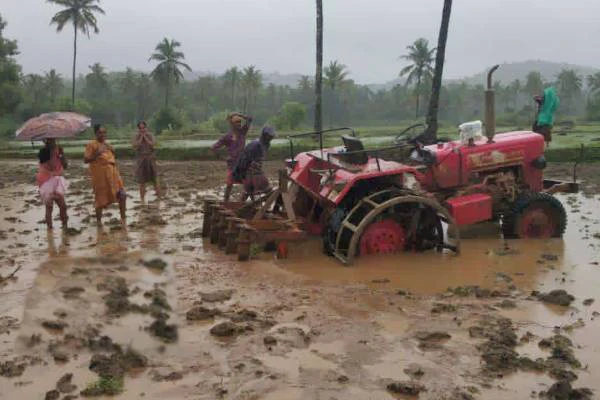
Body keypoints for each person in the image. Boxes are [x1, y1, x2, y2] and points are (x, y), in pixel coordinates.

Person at [84, 124, 127, 226]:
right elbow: (86, 159)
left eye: (104, 132)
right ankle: (99, 222)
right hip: (100, 176)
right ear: (96, 133)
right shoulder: (91, 145)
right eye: (100, 133)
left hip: (113, 174)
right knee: (100, 198)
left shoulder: (107, 145)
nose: (102, 135)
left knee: (122, 195)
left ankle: (123, 219)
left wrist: (112, 150)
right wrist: (97, 154)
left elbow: (112, 156)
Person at [211, 112, 253, 201]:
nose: (239, 124)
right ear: (232, 124)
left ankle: (241, 203)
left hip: (243, 164)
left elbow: (250, 118)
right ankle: (225, 203)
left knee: (249, 185)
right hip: (233, 164)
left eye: (240, 122)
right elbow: (214, 148)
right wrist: (222, 158)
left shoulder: (243, 132)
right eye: (236, 123)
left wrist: (239, 114)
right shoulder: (227, 136)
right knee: (229, 185)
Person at [233, 126, 276, 201]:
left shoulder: (266, 145)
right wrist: (245, 173)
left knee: (248, 192)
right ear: (264, 135)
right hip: (250, 172)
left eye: (272, 136)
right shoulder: (255, 145)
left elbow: (259, 161)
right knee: (267, 190)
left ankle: (242, 207)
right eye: (269, 136)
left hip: (255, 171)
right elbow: (245, 160)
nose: (271, 138)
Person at [37, 138, 69, 229]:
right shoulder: (43, 152)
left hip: (57, 180)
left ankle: (65, 226)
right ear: (46, 141)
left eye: (53, 139)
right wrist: (50, 151)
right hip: (46, 180)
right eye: (49, 140)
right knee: (49, 206)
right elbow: (49, 166)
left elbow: (65, 165)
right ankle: (50, 230)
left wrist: (62, 155)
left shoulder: (59, 150)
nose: (52, 142)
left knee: (63, 205)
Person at [132, 121, 160, 203]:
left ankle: (159, 198)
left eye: (143, 128)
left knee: (155, 179)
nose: (142, 129)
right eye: (140, 128)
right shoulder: (136, 136)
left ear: (146, 128)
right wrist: (141, 138)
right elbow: (134, 145)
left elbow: (153, 144)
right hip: (141, 159)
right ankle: (142, 200)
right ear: (138, 129)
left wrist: (146, 138)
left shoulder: (150, 135)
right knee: (142, 181)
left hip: (150, 158)